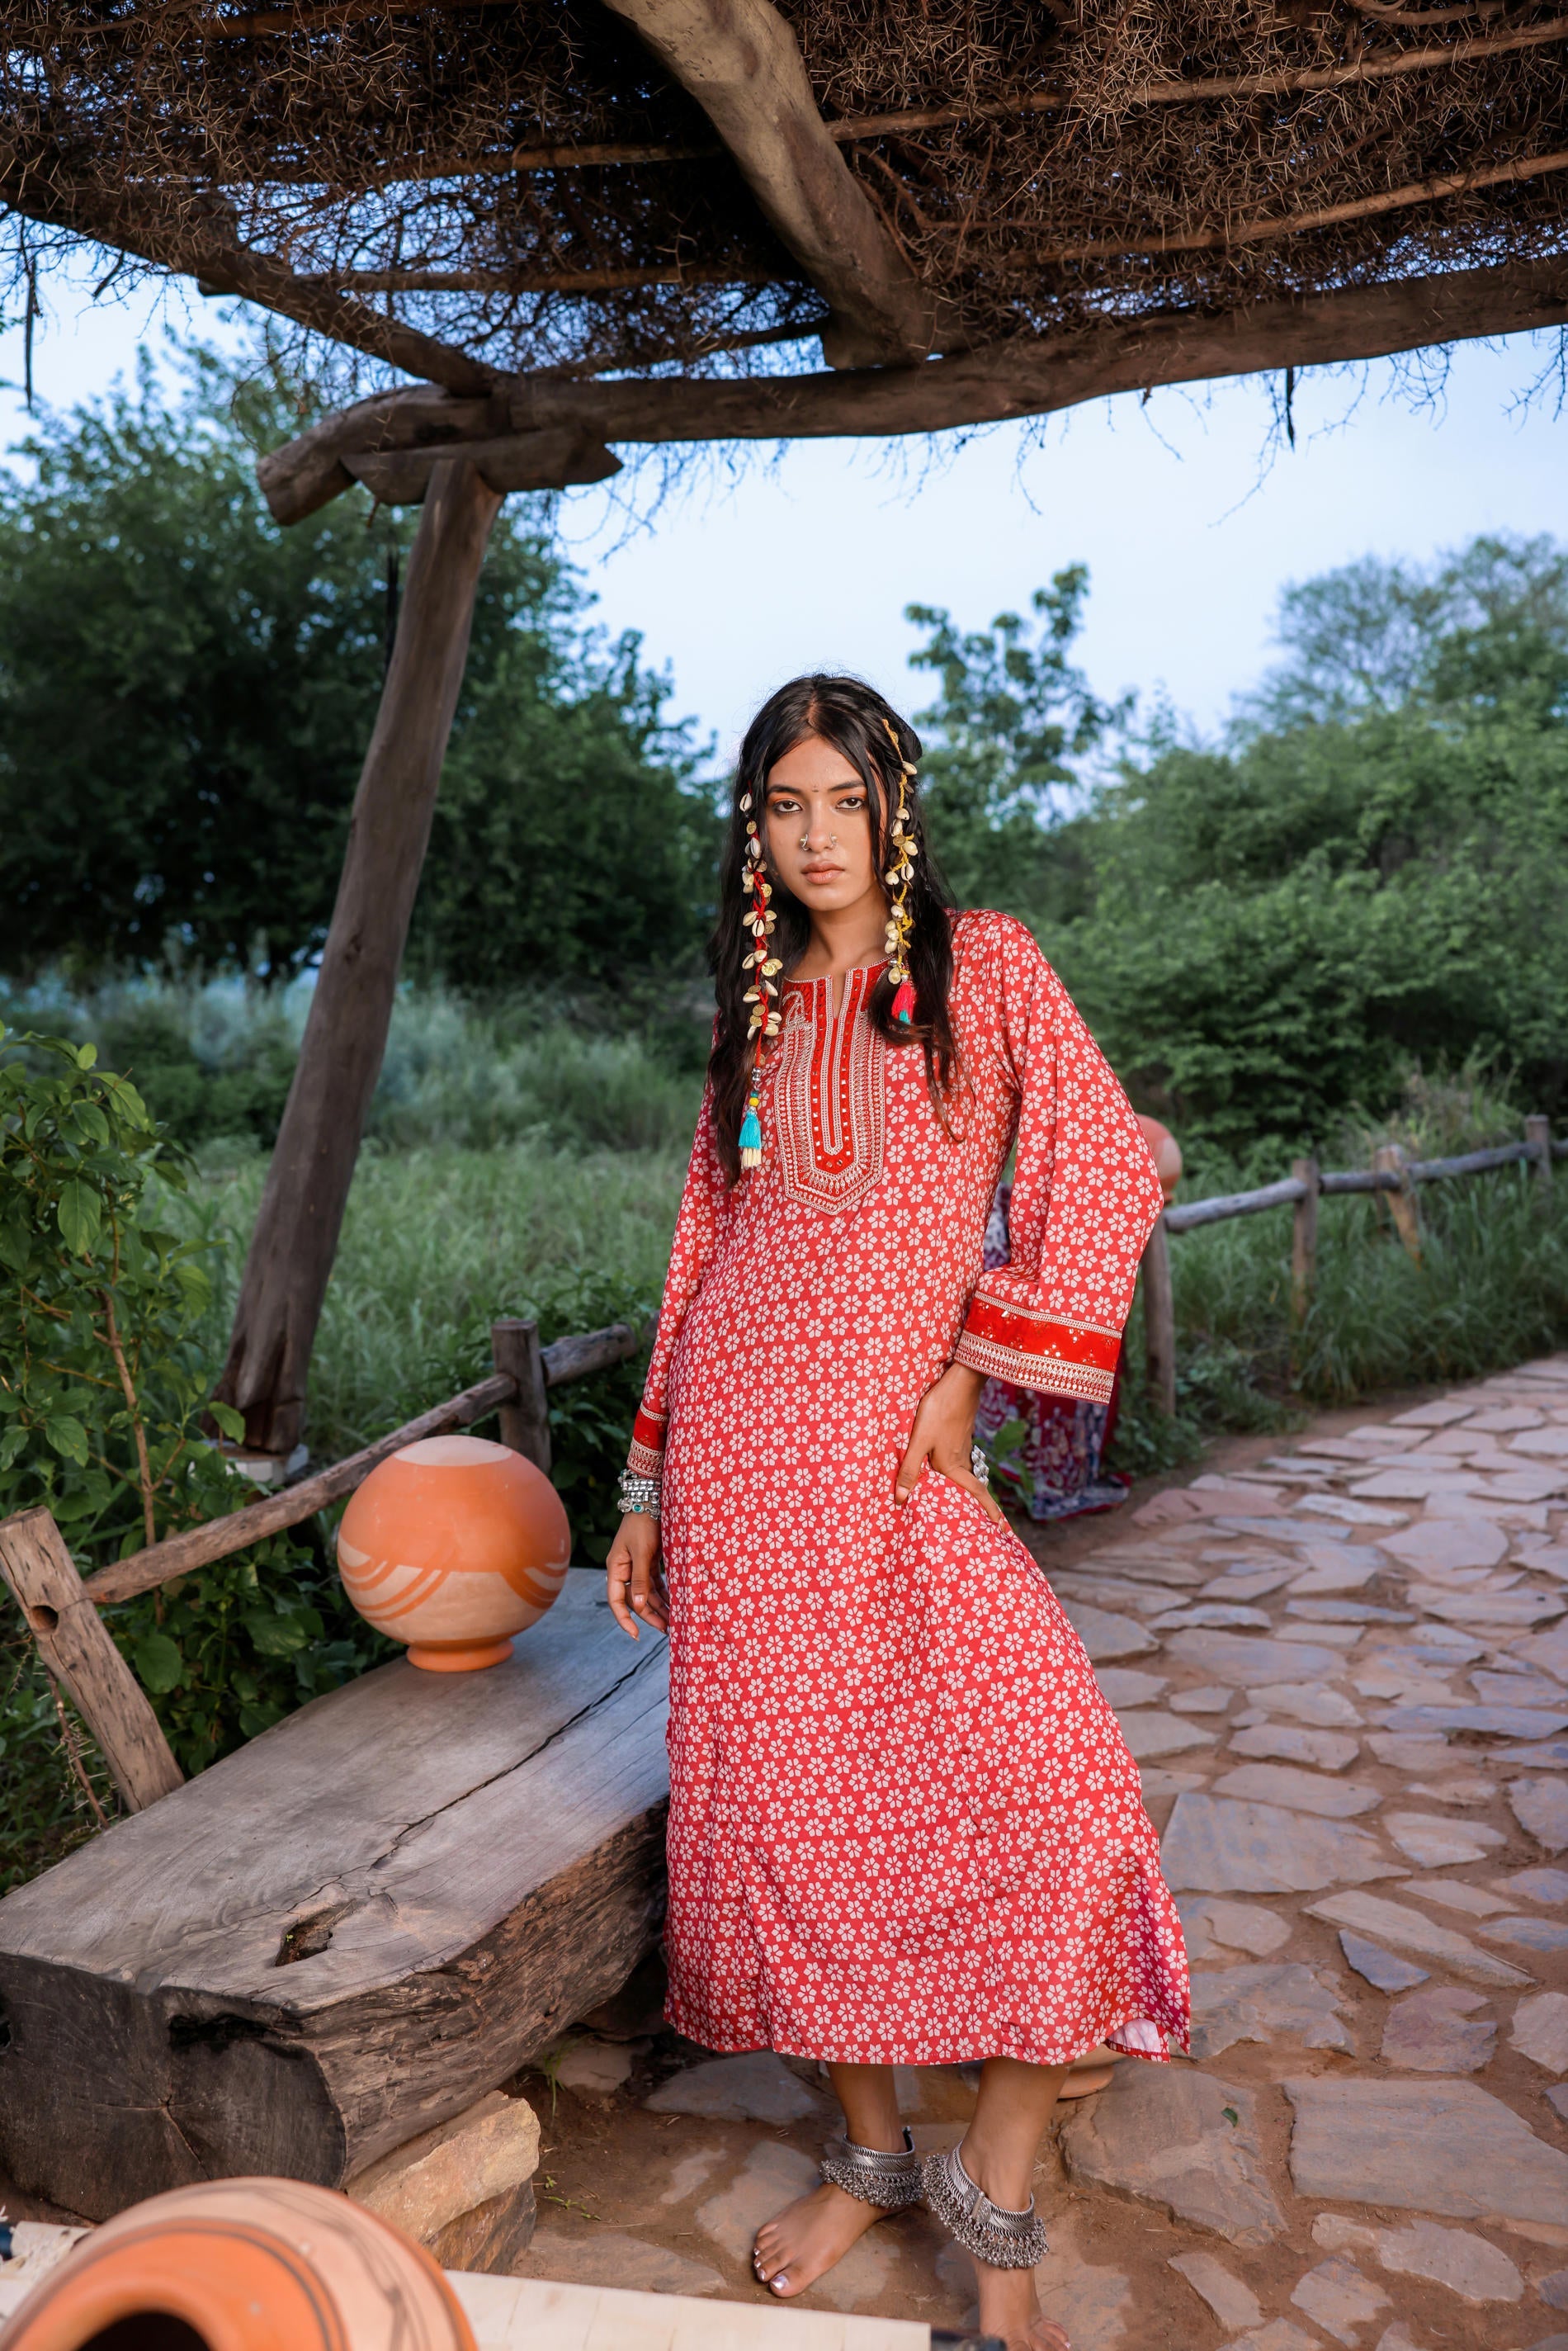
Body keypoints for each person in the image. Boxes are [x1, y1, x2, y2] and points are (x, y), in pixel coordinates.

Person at [605, 677, 1190, 2351]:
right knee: (788, 1824)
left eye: (840, 803)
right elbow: (700, 1245)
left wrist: (976, 1363)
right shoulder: (758, 1003)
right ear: (754, 827)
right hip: (740, 1454)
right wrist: (645, 1479)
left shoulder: (979, 963)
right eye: (780, 805)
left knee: (1065, 1799)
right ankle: (867, 2154)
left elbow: (1102, 1153)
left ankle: (985, 2197)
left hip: (900, 1457)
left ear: (892, 807)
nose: (811, 837)